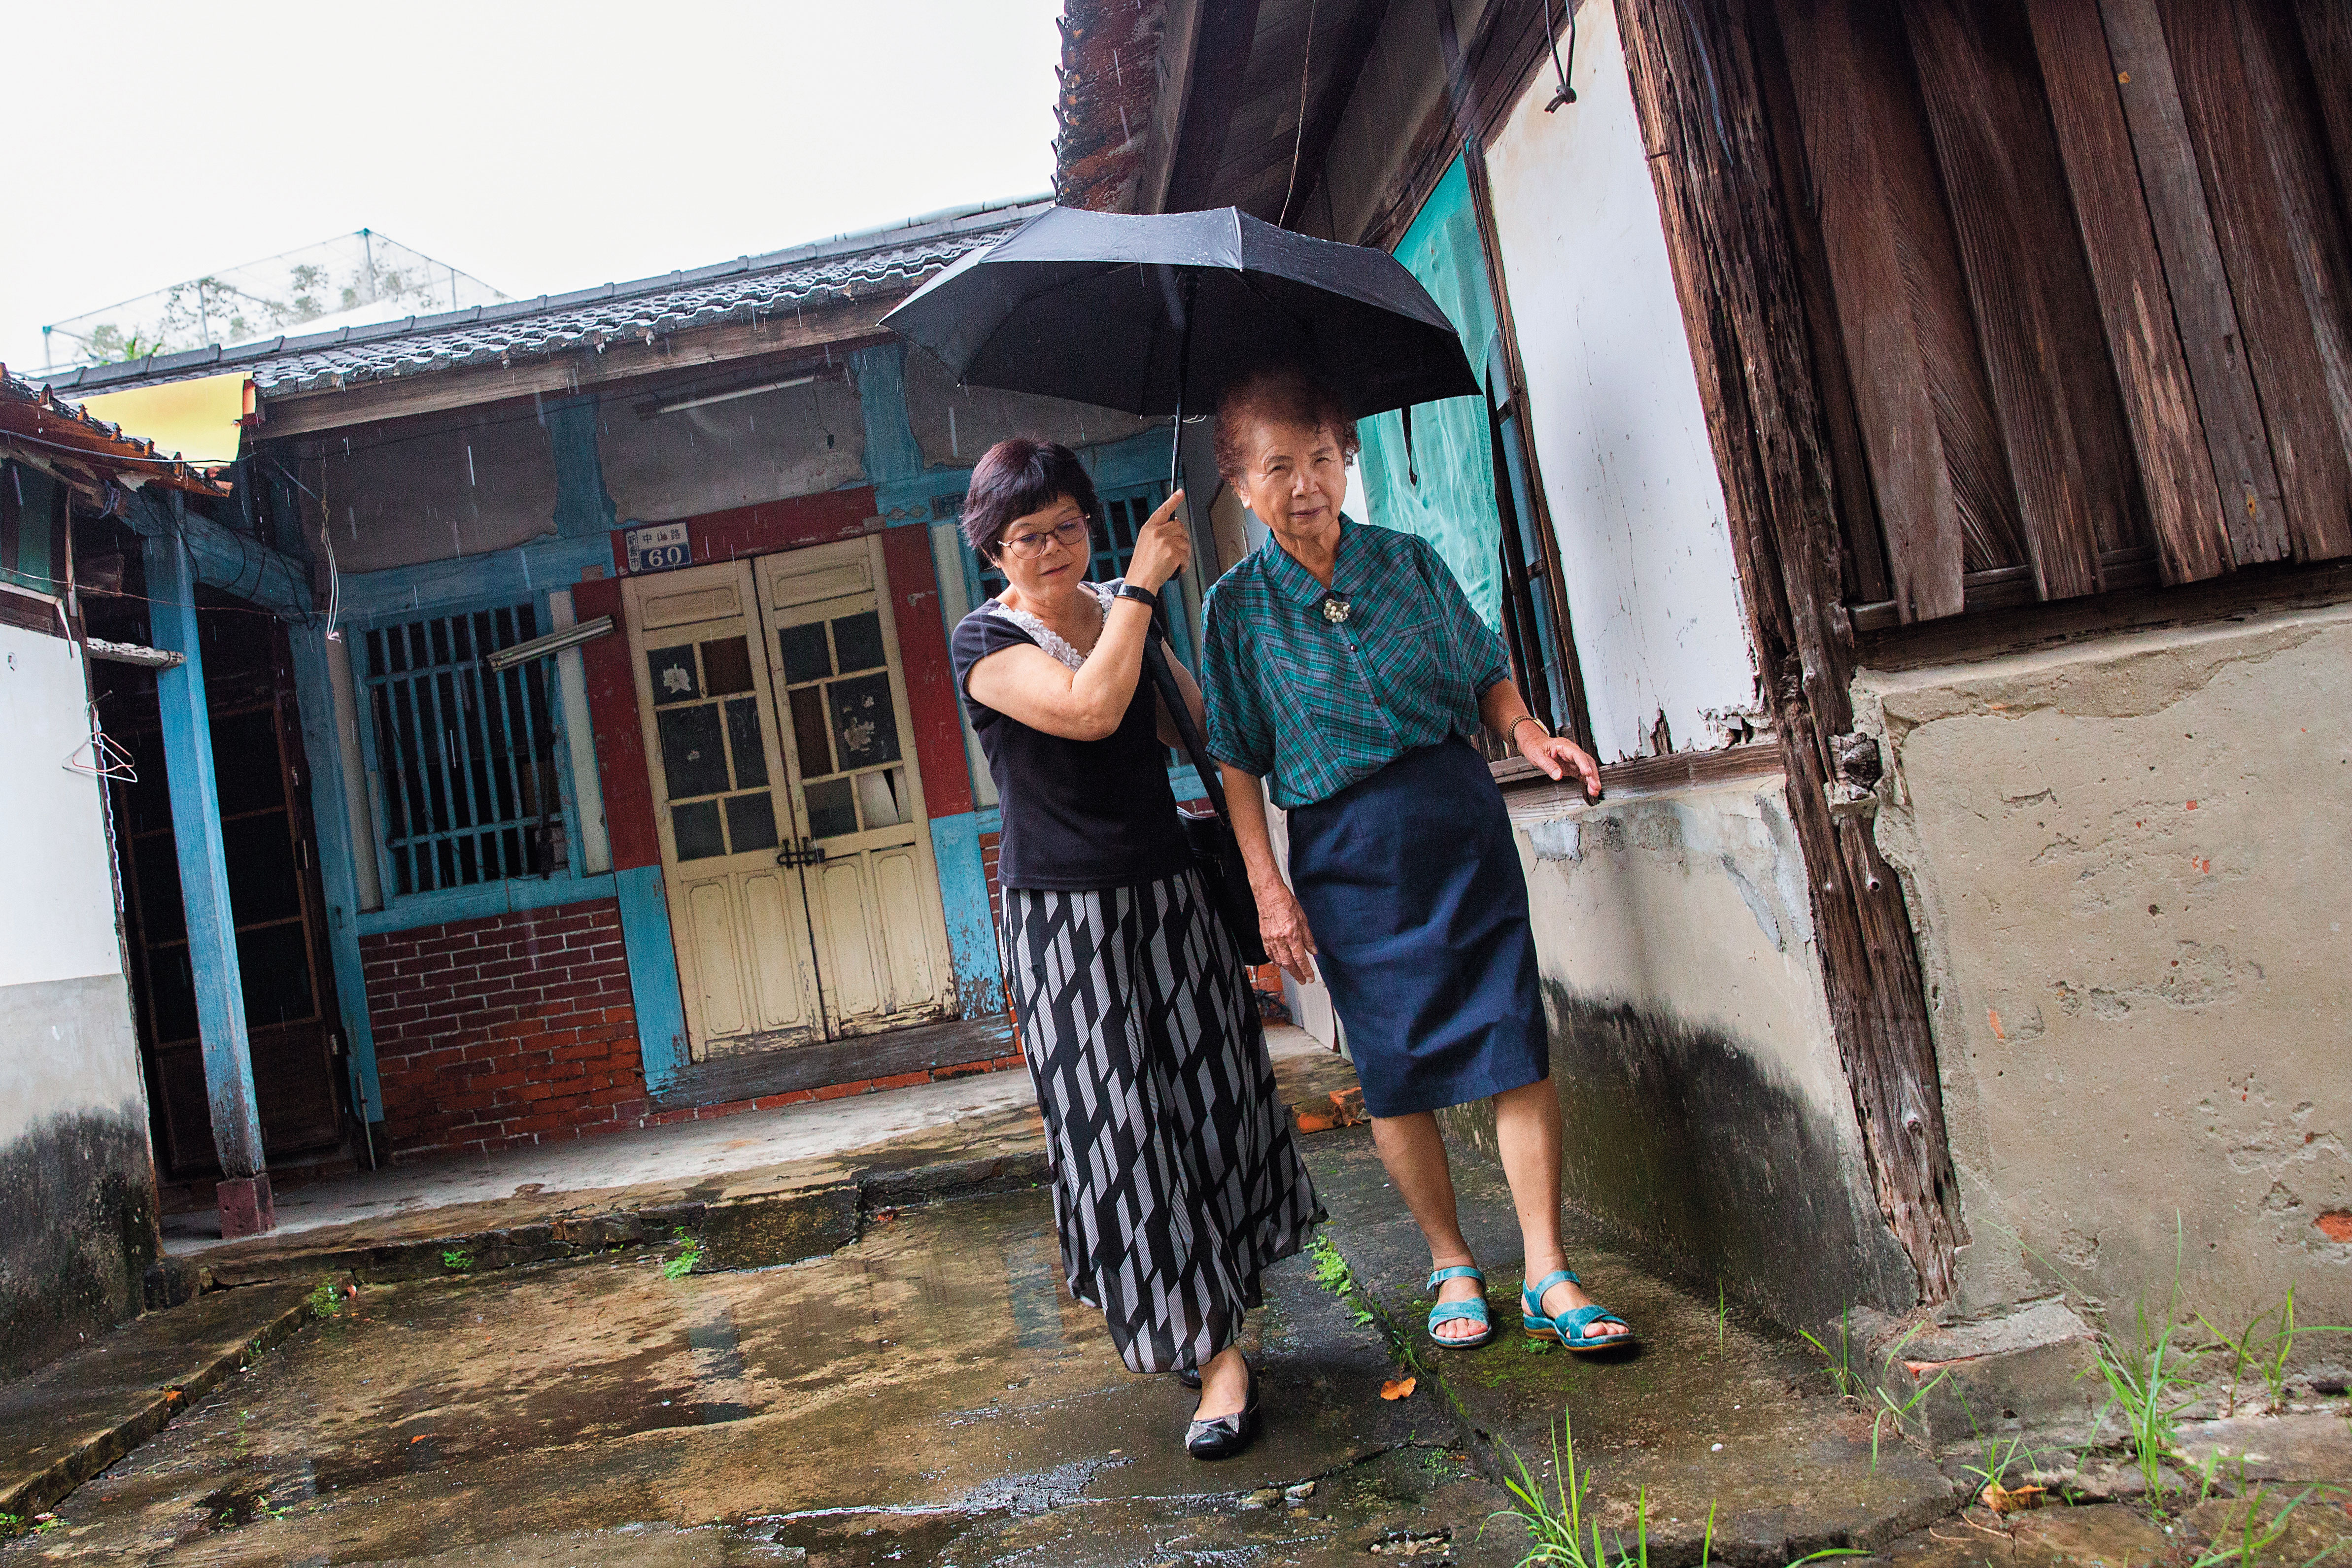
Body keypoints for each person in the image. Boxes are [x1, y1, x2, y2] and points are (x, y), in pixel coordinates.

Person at [1198, 367, 1636, 1356]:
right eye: (1280, 465)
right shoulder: (1236, 610)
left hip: (1455, 819)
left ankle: (1546, 1271)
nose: (1307, 481)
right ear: (1240, 482)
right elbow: (1234, 757)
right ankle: (1448, 1261)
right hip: (1345, 851)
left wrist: (1526, 732)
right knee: (1394, 1069)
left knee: (1511, 1037)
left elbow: (1484, 672)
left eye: (1322, 458)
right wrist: (1268, 891)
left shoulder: (1407, 563)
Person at [949, 436, 1324, 1460]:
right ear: (993, 548)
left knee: (1206, 1100)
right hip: (1065, 923)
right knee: (1119, 1126)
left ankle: (1216, 1316)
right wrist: (1140, 597)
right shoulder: (982, 641)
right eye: (1027, 536)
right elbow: (1086, 707)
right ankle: (1209, 1355)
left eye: (1068, 524)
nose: (1053, 548)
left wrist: (1159, 613)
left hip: (1167, 894)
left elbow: (1183, 724)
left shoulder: (1125, 601)